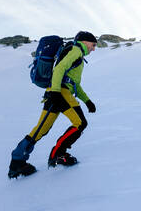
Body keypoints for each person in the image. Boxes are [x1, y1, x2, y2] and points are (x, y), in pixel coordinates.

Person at [8, 31, 97, 178]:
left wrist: (87, 101)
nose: (94, 48)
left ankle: (17, 162)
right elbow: (60, 69)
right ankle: (58, 154)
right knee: (80, 123)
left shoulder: (77, 55)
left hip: (53, 92)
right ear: (85, 41)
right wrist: (56, 92)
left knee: (41, 129)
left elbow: (74, 84)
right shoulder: (76, 50)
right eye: (93, 45)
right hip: (60, 92)